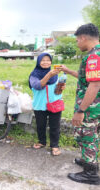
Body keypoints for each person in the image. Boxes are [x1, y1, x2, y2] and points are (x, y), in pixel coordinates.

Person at [61, 23, 100, 185]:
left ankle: (90, 173)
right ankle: (88, 160)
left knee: (87, 137)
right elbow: (88, 79)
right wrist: (69, 71)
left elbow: (95, 84)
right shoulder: (96, 54)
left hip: (91, 108)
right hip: (96, 108)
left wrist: (81, 110)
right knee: (93, 135)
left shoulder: (94, 57)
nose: (77, 43)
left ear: (83, 38)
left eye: (77, 40)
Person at [29, 53, 64, 156]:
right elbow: (38, 86)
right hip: (40, 104)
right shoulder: (34, 75)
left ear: (51, 62)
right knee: (41, 125)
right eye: (43, 60)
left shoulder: (55, 74)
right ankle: (42, 142)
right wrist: (49, 74)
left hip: (55, 103)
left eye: (48, 60)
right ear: (38, 62)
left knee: (55, 126)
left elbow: (57, 88)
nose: (46, 62)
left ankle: (54, 146)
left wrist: (60, 88)